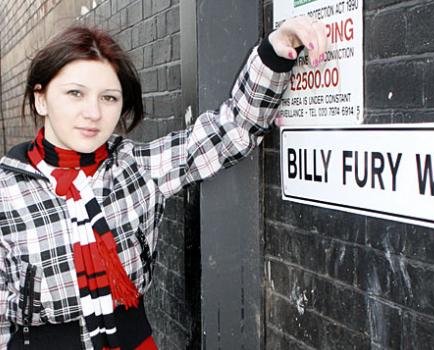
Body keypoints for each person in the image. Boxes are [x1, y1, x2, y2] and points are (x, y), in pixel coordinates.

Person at [0, 15, 327, 350]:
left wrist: (277, 50)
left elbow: (234, 129)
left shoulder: (136, 167)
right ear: (41, 98)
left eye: (109, 98)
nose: (93, 113)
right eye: (75, 93)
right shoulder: (6, 190)